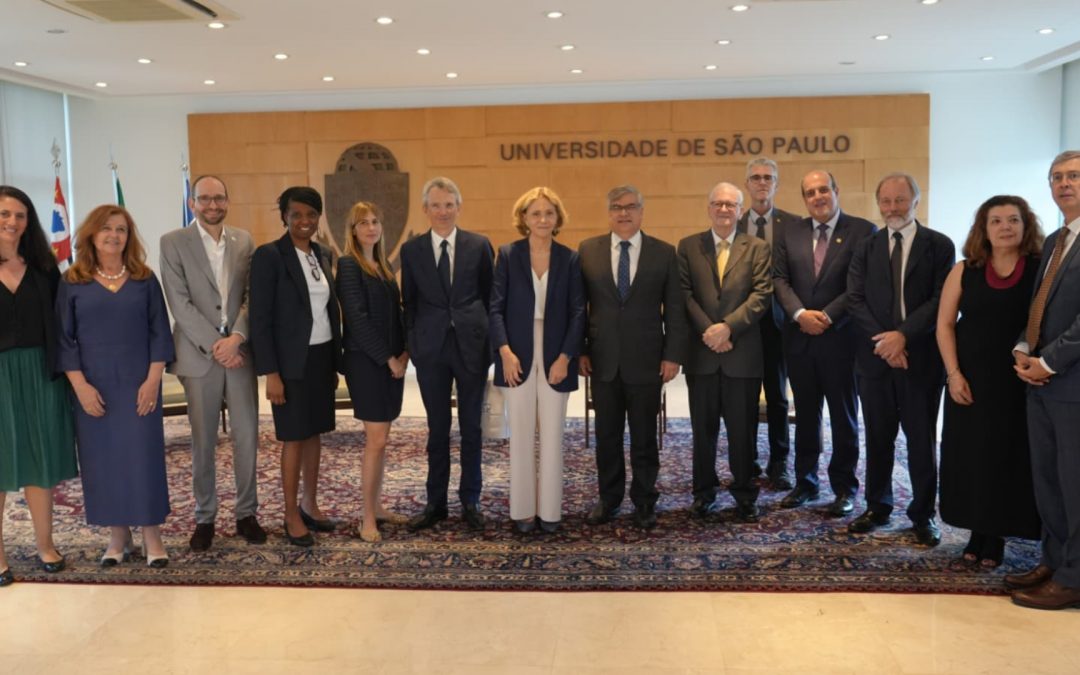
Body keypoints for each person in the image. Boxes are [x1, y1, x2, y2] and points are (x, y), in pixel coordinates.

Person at [57, 204, 174, 568]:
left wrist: (153, 380)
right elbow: (64, 339)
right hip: (94, 386)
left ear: (129, 237)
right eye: (106, 228)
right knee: (103, 460)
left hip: (140, 384)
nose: (113, 235)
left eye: (121, 229)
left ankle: (152, 535)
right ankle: (118, 535)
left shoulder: (144, 279)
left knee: (143, 457)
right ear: (92, 234)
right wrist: (80, 387)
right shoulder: (72, 281)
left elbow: (160, 332)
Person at [847, 173, 955, 547]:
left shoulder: (939, 245)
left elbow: (941, 299)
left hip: (920, 359)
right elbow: (855, 299)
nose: (893, 207)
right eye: (886, 201)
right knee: (878, 438)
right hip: (875, 360)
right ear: (879, 204)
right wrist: (886, 343)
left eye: (900, 199)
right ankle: (877, 507)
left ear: (916, 201)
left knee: (921, 441)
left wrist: (903, 336)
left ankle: (923, 515)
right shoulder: (866, 247)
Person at [159, 175, 266, 552]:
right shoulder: (173, 242)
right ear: (192, 203)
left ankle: (246, 513)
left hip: (239, 354)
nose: (212, 205)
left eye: (219, 198)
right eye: (204, 198)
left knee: (246, 436)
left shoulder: (244, 240)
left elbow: (253, 295)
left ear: (227, 201)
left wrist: (236, 338)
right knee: (203, 439)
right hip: (198, 355)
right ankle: (205, 517)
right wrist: (216, 345)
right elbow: (179, 302)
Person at [937, 195, 1043, 568]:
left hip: (1017, 381)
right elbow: (944, 325)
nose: (1005, 227)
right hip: (969, 379)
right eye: (995, 221)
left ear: (1026, 226)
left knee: (1007, 457)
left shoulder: (1039, 269)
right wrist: (953, 374)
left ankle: (996, 535)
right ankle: (976, 531)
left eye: (1013, 220)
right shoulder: (965, 269)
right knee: (972, 456)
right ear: (983, 228)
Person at [579, 185, 685, 529]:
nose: (623, 213)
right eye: (616, 207)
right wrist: (581, 350)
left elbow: (675, 309)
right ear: (608, 212)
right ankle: (609, 499)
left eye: (630, 207)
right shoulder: (588, 250)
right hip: (603, 361)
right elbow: (579, 307)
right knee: (606, 437)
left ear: (642, 211)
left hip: (646, 360)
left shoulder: (664, 253)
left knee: (644, 437)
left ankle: (644, 500)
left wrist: (672, 355)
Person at [773, 170, 874, 517]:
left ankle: (844, 487)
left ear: (836, 190)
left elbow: (860, 284)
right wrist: (800, 314)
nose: (817, 197)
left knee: (844, 417)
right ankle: (805, 482)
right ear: (804, 198)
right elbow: (780, 279)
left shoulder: (862, 231)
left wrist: (828, 316)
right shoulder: (790, 232)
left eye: (823, 189)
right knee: (805, 415)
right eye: (810, 192)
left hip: (842, 339)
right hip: (799, 339)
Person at [250, 186, 343, 547]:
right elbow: (260, 319)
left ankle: (309, 504)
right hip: (289, 364)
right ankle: (290, 513)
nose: (305, 221)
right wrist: (271, 373)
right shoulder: (269, 256)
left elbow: (326, 309)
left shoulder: (323, 253)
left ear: (319, 218)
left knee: (315, 432)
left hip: (321, 357)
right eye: (296, 214)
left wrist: (334, 362)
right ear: (284, 217)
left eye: (311, 214)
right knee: (293, 436)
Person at [400, 177, 494, 532]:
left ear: (459, 207)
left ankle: (471, 500)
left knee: (472, 428)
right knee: (437, 429)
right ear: (425, 209)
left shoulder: (479, 245)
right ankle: (435, 503)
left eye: (449, 205)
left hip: (471, 347)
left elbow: (490, 297)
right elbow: (409, 302)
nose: (443, 211)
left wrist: (488, 342)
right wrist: (414, 344)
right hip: (431, 350)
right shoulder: (412, 250)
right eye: (436, 205)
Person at [490, 187, 584, 534]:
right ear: (524, 218)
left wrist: (566, 357)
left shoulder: (570, 258)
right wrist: (504, 351)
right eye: (536, 213)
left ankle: (550, 511)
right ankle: (523, 511)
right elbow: (495, 308)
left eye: (549, 213)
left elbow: (579, 312)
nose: (543, 219)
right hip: (515, 353)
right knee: (521, 435)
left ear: (557, 218)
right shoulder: (508, 254)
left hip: (557, 353)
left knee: (553, 436)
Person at [1009, 150, 1080, 610]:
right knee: (1050, 482)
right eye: (1056, 177)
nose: (1064, 184)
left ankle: (1074, 579)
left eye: (1073, 176)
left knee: (1075, 485)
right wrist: (1023, 347)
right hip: (1041, 384)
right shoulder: (1056, 239)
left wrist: (1049, 361)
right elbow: (1040, 308)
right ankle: (1055, 562)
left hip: (1071, 384)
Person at [678, 181, 772, 523]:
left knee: (742, 432)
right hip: (702, 355)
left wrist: (728, 328)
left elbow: (761, 295)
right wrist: (711, 331)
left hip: (741, 354)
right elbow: (684, 294)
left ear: (740, 211)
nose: (723, 209)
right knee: (702, 432)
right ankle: (703, 494)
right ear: (708, 208)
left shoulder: (758, 248)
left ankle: (745, 495)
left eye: (730, 204)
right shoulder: (689, 246)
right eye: (717, 203)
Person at [0, 186, 78, 586]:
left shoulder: (46, 268)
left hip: (40, 373)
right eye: (4, 213)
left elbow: (64, 323)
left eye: (20, 214)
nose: (12, 221)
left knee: (40, 460)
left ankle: (45, 545)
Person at [336, 201, 410, 543]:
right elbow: (357, 320)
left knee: (382, 440)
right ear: (352, 230)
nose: (371, 227)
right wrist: (388, 359)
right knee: (376, 440)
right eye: (363, 222)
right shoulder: (349, 265)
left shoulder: (383, 264)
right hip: (367, 363)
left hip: (391, 361)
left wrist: (405, 351)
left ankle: (377, 506)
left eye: (375, 221)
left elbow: (396, 313)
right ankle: (366, 517)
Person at [736, 158, 801, 489]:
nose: (762, 182)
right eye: (756, 177)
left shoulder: (794, 224)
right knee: (744, 398)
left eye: (768, 178)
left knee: (777, 397)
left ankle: (780, 463)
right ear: (747, 184)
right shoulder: (733, 222)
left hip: (779, 323)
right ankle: (747, 461)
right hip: (743, 325)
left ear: (776, 184)